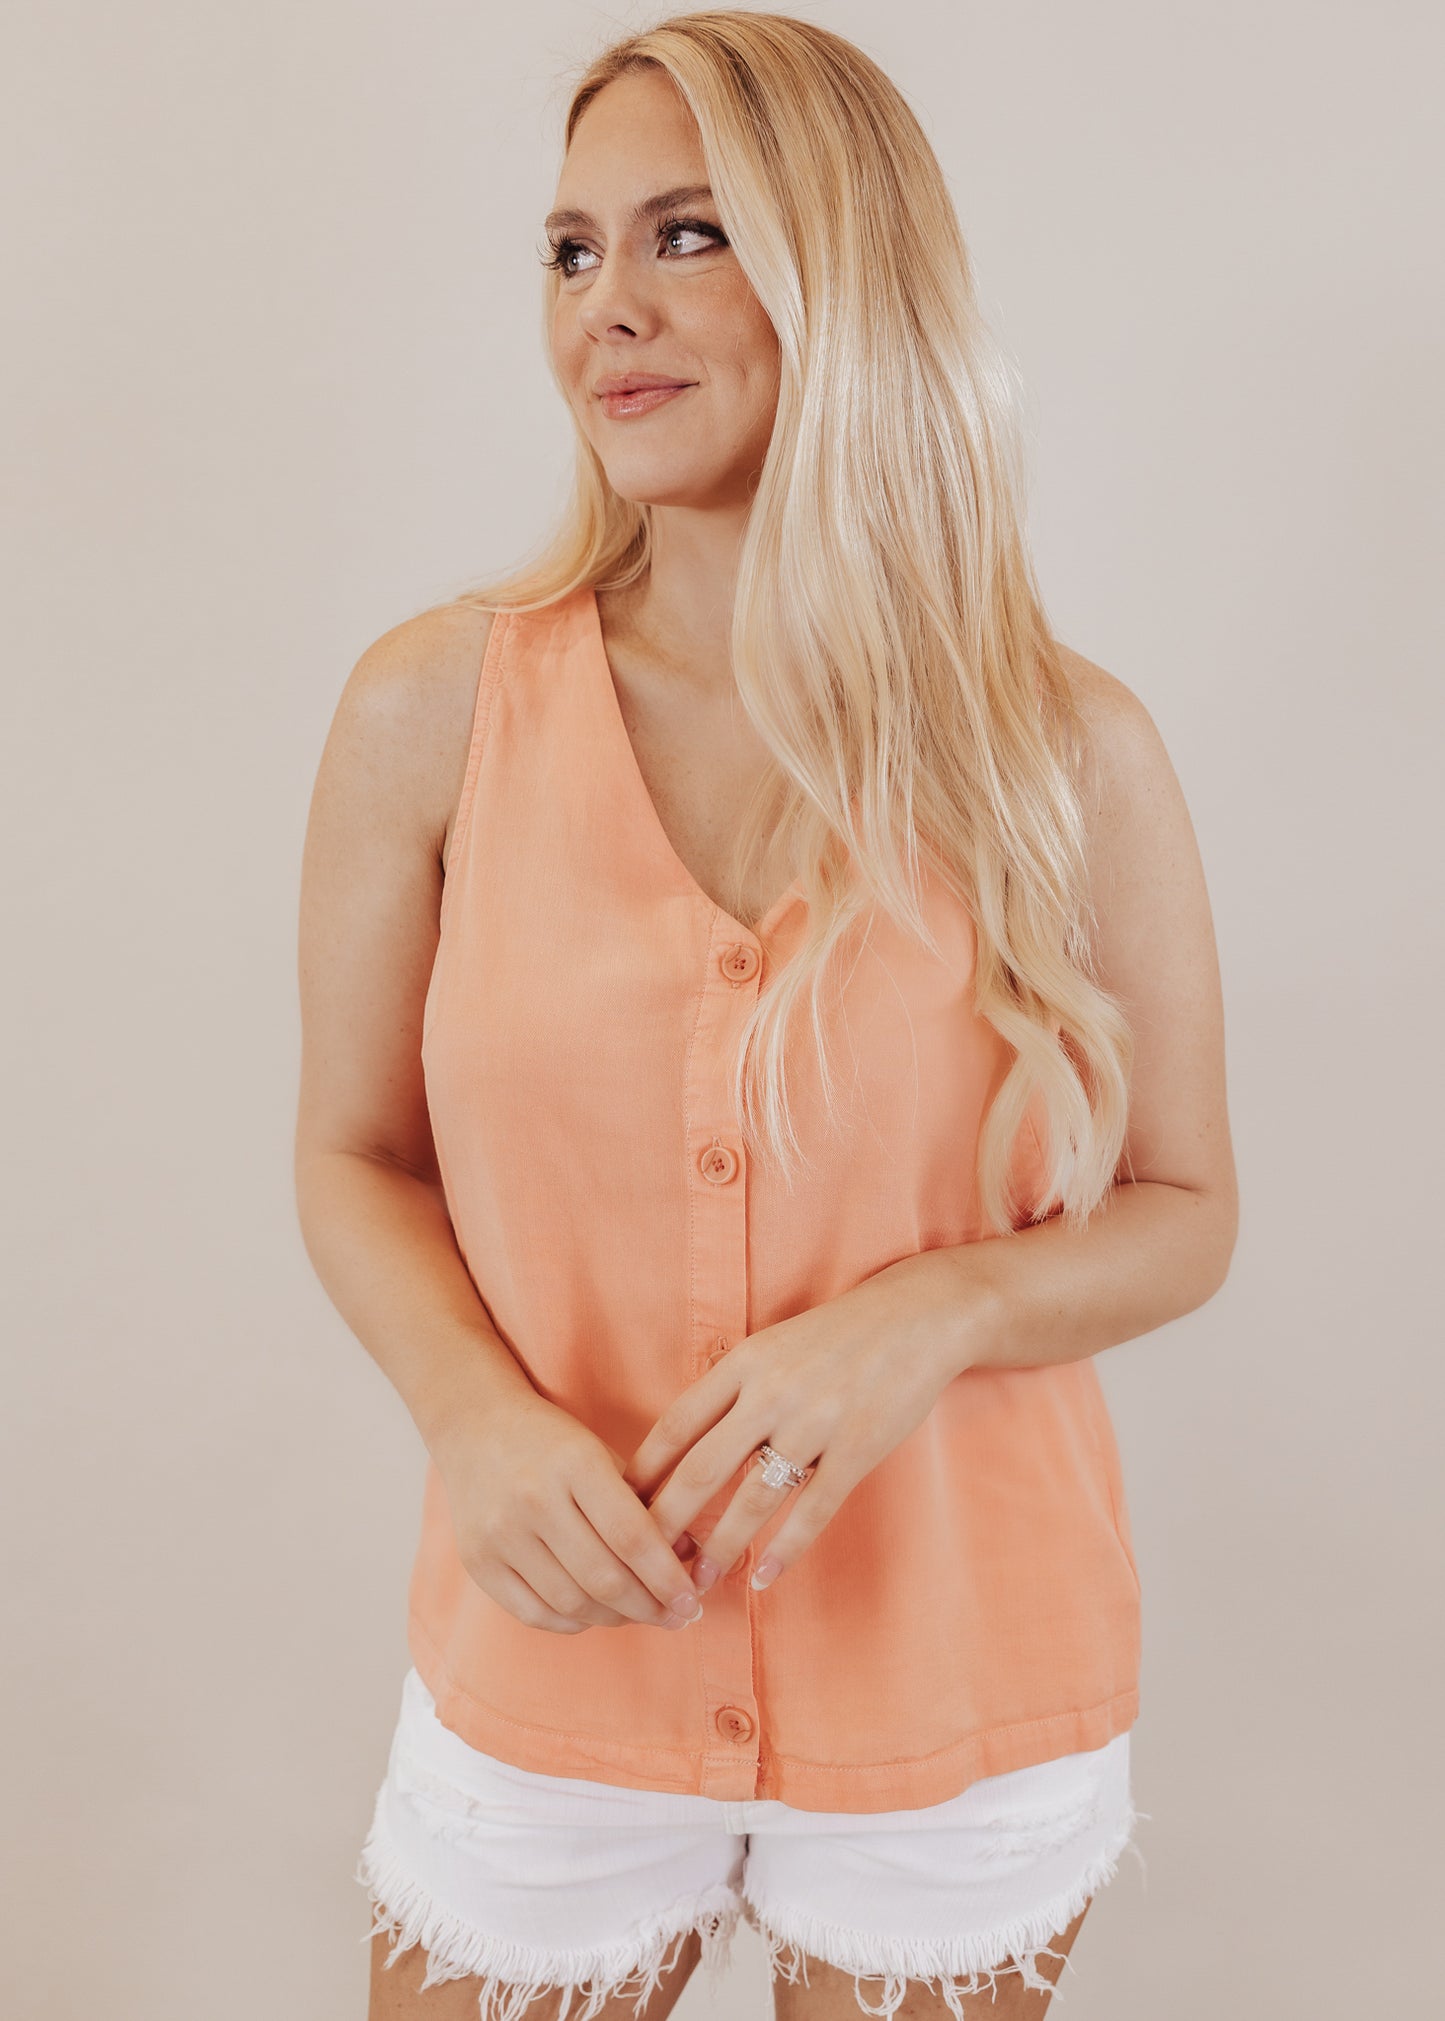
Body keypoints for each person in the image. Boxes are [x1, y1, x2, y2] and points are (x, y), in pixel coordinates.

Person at [294, 13, 1237, 2020]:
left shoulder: (1067, 751)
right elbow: (353, 1153)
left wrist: (938, 1312)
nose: (606, 309)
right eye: (570, 251)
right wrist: (473, 1416)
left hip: (958, 1664)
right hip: (555, 1642)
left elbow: (1185, 1206)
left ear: (843, 271)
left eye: (687, 235)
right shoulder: (432, 711)